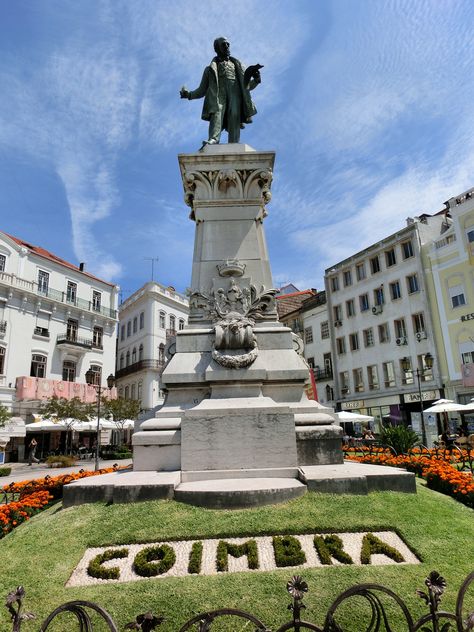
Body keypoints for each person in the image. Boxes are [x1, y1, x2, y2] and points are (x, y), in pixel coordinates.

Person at [180, 37, 261, 147]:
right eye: (224, 44)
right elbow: (202, 90)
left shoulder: (238, 65)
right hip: (218, 94)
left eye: (228, 44)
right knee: (217, 113)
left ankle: (234, 143)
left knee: (234, 114)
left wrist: (256, 80)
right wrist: (189, 95)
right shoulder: (209, 70)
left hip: (235, 93)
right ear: (217, 49)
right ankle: (213, 139)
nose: (227, 46)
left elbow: (246, 86)